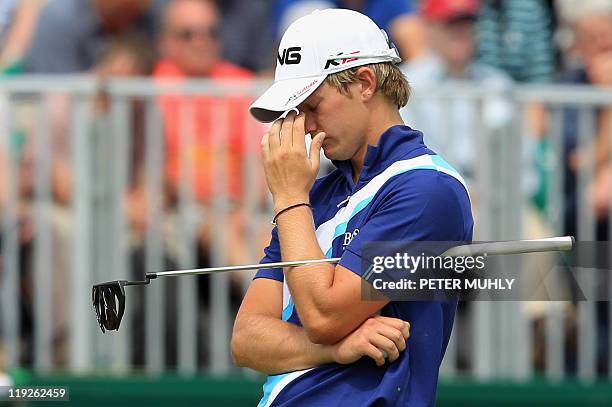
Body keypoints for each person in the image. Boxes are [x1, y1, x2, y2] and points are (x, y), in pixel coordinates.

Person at [232, 8, 473, 406]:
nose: (305, 127)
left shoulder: (429, 188)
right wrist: (333, 350)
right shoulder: (317, 193)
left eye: (312, 106)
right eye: (296, 113)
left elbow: (325, 317)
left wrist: (289, 198)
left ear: (364, 83)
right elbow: (247, 338)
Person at [400, 0, 513, 186]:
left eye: (467, 23)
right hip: (431, 195)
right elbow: (408, 154)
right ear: (430, 28)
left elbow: (518, 158)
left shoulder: (498, 85)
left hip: (493, 201)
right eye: (451, 24)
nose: (461, 32)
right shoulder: (408, 83)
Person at [22, 0, 165, 73]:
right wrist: (99, 83)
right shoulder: (59, 19)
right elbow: (53, 94)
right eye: (122, 9)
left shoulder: (155, 14)